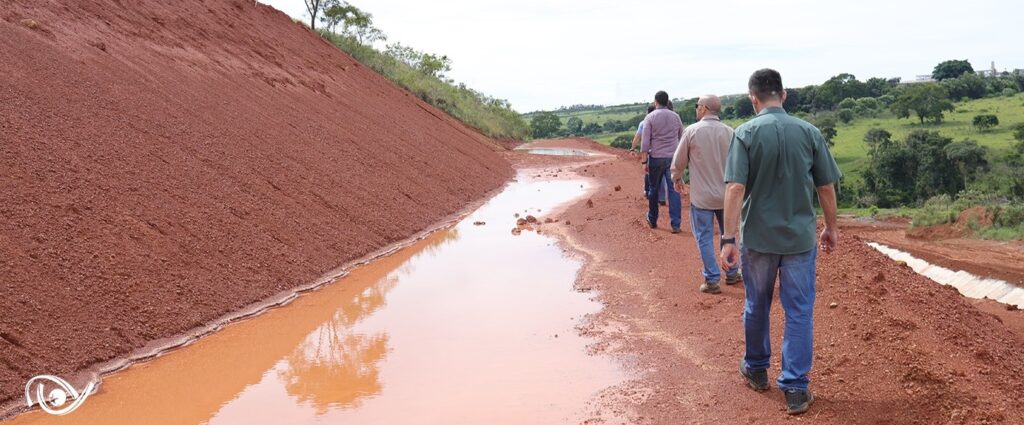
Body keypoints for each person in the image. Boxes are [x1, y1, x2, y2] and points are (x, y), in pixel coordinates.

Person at [719, 69, 841, 415]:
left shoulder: (744, 134)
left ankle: (757, 370)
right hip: (800, 239)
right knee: (799, 310)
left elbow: (735, 188)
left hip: (757, 238)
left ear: (752, 98)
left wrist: (729, 238)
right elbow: (826, 187)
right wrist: (831, 227)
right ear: (783, 95)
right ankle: (796, 389)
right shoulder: (809, 132)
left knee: (757, 304)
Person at [670, 95, 740, 294]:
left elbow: (678, 162)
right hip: (727, 196)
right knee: (729, 235)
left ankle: (712, 279)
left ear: (703, 108)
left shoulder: (692, 131)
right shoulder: (730, 132)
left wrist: (677, 178)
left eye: (697, 106)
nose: (696, 109)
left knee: (704, 236)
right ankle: (733, 272)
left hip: (702, 197)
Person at [640, 91, 683, 233]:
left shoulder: (650, 117)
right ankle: (676, 224)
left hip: (656, 158)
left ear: (655, 101)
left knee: (653, 189)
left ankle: (652, 219)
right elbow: (681, 136)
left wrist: (644, 161)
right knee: (674, 190)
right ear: (667, 101)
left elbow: (645, 142)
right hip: (673, 158)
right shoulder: (676, 117)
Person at [632, 104, 668, 204]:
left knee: (649, 172)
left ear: (648, 112)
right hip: (663, 151)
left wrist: (632, 148)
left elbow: (637, 137)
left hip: (649, 152)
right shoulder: (662, 122)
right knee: (662, 175)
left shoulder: (643, 123)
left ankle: (648, 192)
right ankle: (661, 198)